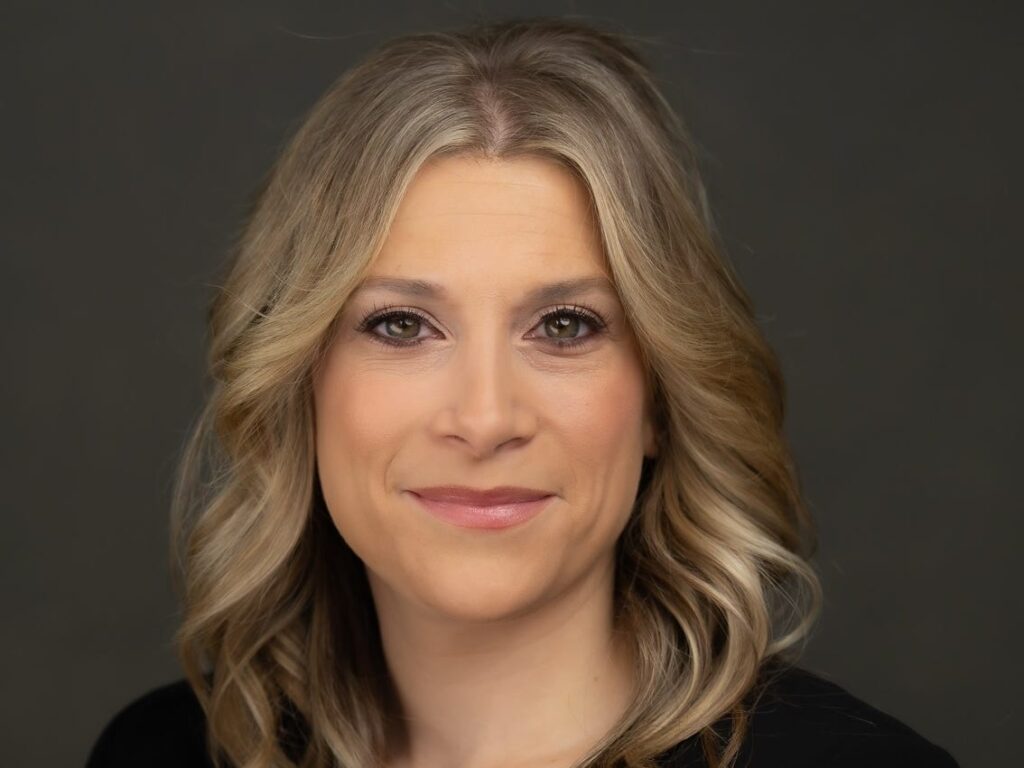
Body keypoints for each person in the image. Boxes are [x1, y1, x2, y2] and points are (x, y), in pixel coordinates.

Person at [85, 15, 958, 768]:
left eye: (566, 326)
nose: (485, 419)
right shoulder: (163, 752)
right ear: (298, 382)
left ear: (660, 399)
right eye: (400, 325)